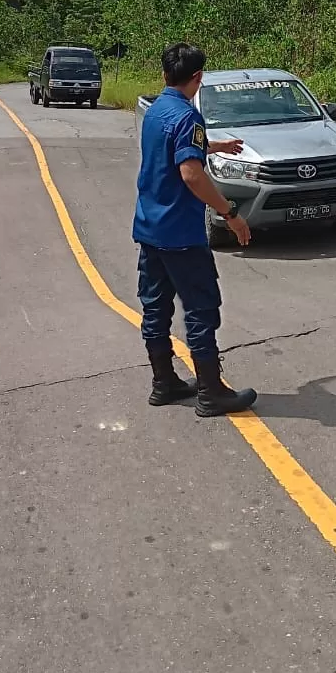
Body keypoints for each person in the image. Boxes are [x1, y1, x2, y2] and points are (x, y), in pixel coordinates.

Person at [133, 42, 257, 416]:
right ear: (198, 78)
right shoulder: (189, 117)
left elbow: (177, 148)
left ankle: (164, 382)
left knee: (155, 308)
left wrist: (215, 145)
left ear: (164, 75)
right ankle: (211, 392)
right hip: (181, 235)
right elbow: (190, 173)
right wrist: (230, 213)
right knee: (201, 309)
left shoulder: (157, 110)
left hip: (149, 229)